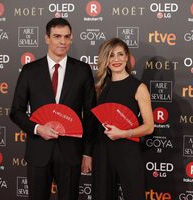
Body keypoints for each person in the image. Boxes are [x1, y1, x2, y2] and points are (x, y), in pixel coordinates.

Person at [10, 17, 96, 200]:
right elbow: (16, 111)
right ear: (47, 38)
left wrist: (88, 152)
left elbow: (90, 115)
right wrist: (37, 128)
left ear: (71, 38)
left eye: (66, 36)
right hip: (38, 151)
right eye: (57, 36)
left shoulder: (82, 70)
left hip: (71, 152)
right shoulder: (30, 70)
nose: (62, 41)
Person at [92, 38, 154, 200]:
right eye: (111, 55)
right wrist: (88, 154)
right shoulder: (99, 88)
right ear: (106, 60)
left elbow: (149, 127)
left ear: (127, 57)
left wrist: (124, 133)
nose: (116, 59)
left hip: (128, 151)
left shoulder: (139, 87)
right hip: (102, 151)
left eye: (120, 54)